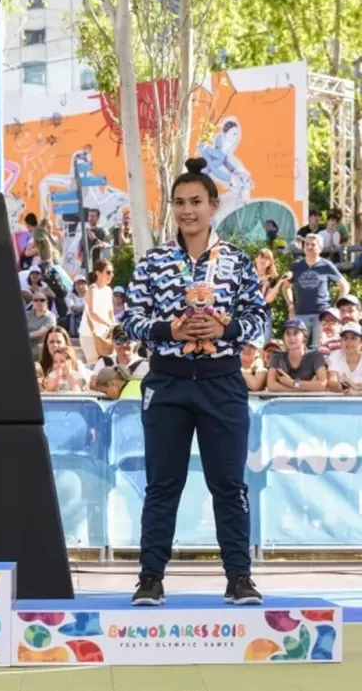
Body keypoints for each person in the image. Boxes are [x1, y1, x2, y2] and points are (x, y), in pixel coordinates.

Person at [122, 157, 267, 606]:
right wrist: (170, 331)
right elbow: (130, 320)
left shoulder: (238, 262)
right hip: (167, 384)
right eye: (180, 202)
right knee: (163, 484)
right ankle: (150, 578)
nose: (188, 211)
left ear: (213, 205)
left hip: (222, 383)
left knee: (229, 485)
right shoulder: (154, 261)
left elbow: (260, 318)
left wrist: (225, 330)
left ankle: (239, 578)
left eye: (196, 202)